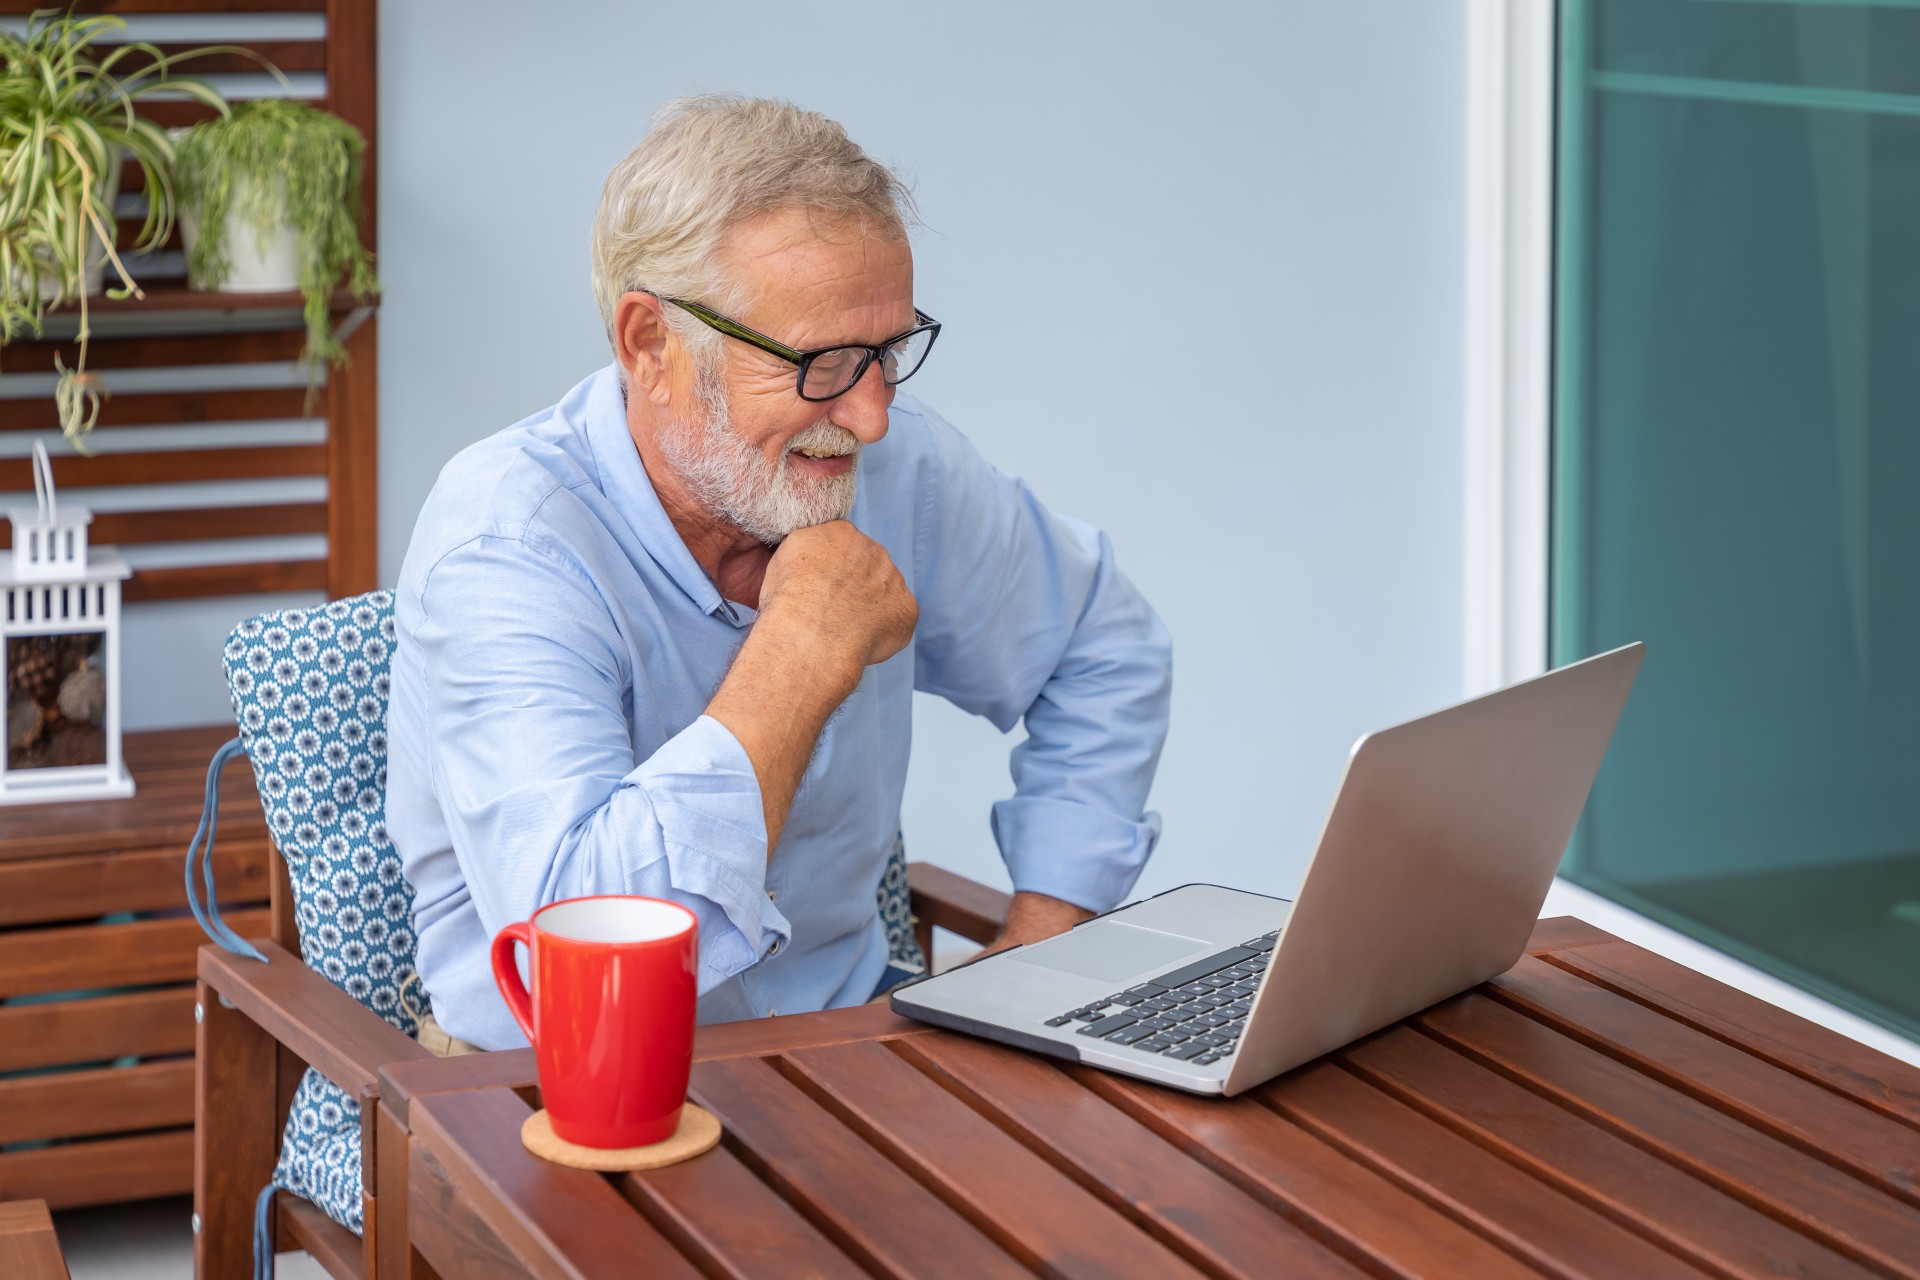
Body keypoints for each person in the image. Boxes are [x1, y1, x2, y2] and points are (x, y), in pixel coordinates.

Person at [388, 95, 1171, 1051]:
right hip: (557, 1088)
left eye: (888, 354)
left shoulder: (893, 466)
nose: (872, 416)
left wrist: (1046, 940)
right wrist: (804, 649)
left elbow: (1103, 646)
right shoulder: (507, 546)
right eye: (825, 363)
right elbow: (580, 961)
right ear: (651, 344)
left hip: (850, 1040)